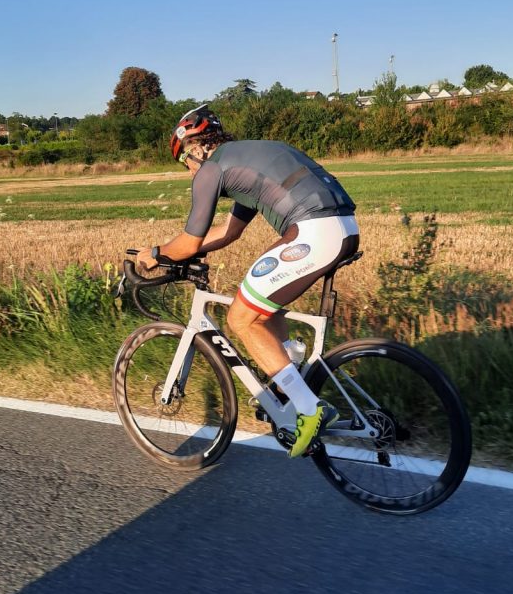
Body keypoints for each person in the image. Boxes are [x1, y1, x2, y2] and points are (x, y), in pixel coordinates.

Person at [134, 104, 360, 459]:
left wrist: (156, 253)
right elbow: (228, 232)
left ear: (195, 147)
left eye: (185, 163)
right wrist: (175, 253)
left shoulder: (212, 169)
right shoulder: (245, 162)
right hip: (342, 227)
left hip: (314, 231)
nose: (189, 172)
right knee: (264, 306)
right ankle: (290, 373)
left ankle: (308, 407)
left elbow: (191, 241)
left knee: (240, 318)